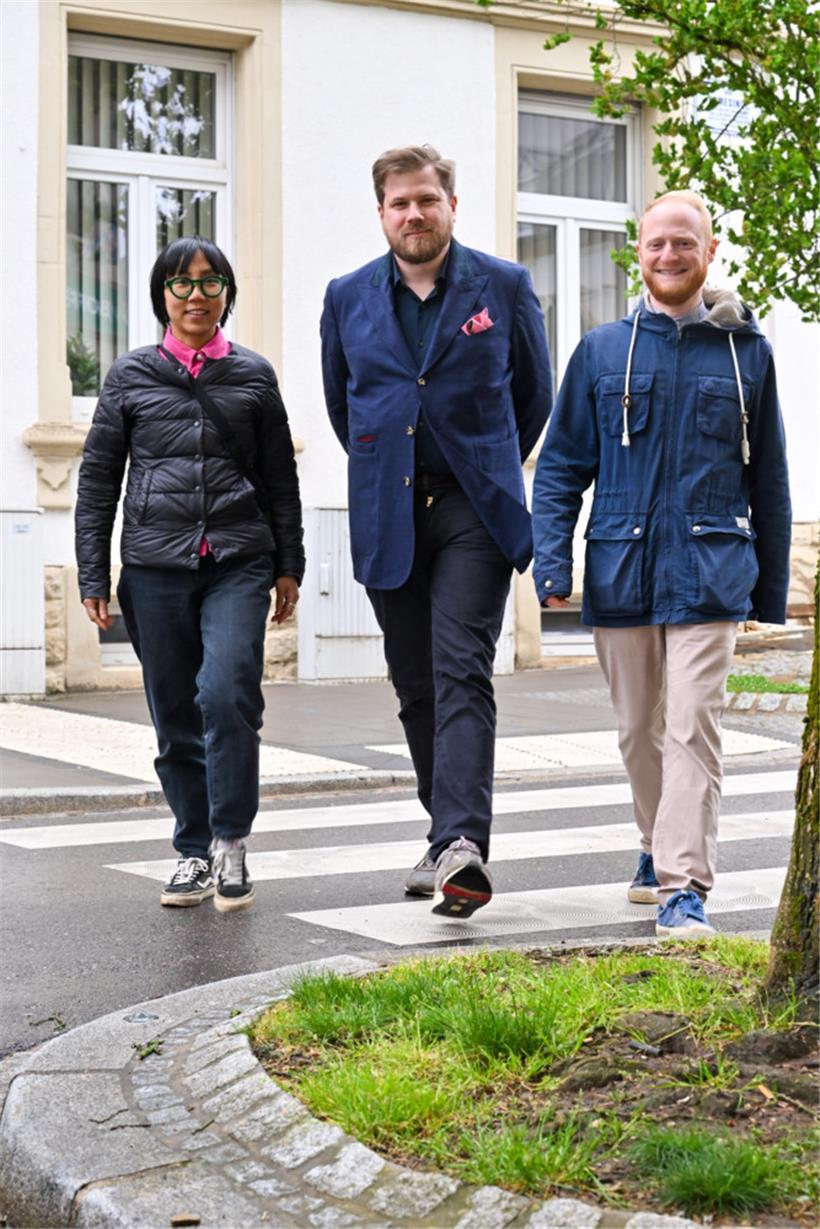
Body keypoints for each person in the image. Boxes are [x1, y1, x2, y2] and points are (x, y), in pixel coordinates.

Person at [532, 190, 791, 938]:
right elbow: (560, 468)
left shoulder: (748, 354)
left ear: (710, 254)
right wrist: (553, 564)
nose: (670, 256)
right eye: (657, 245)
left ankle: (684, 884)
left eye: (686, 243)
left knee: (691, 727)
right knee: (637, 726)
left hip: (712, 568)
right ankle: (653, 842)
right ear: (637, 255)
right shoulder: (602, 351)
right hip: (621, 565)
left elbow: (767, 477)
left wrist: (766, 590)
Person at [321, 144, 552, 917]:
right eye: (399, 203)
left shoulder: (505, 287)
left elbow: (533, 397)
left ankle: (461, 842)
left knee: (460, 669)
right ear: (381, 212)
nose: (413, 214)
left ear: (451, 204)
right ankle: (442, 830)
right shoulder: (347, 296)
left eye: (426, 199)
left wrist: (481, 458)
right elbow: (344, 407)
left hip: (473, 510)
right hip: (390, 509)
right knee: (415, 682)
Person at [75, 236, 305, 913]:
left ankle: (231, 838)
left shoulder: (254, 375)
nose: (196, 295)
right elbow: (97, 479)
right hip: (154, 564)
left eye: (210, 282)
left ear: (228, 294)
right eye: (181, 283)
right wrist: (93, 570)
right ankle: (192, 849)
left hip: (238, 557)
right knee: (175, 711)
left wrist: (288, 563)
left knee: (227, 689)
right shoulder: (130, 376)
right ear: (162, 297)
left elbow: (280, 480)